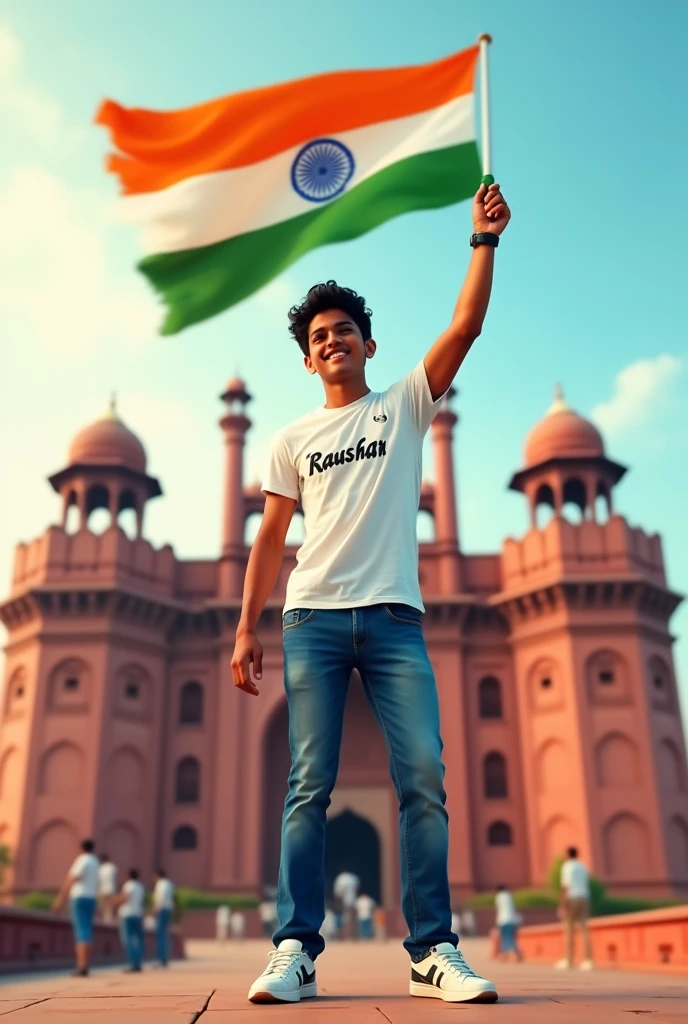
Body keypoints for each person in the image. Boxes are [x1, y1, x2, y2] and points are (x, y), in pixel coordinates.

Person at [232, 180, 510, 1006]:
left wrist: (483, 241)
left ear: (368, 344)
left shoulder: (403, 407)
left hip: (394, 619)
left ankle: (432, 951)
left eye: (344, 330)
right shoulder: (290, 439)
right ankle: (295, 949)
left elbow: (465, 327)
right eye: (319, 336)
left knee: (422, 773)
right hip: (312, 618)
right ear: (308, 357)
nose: (333, 342)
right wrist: (246, 628)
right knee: (308, 785)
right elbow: (272, 537)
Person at [52, 837, 100, 977]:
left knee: (82, 932)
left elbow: (72, 878)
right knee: (87, 930)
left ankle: (82, 966)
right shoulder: (95, 862)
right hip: (91, 897)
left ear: (81, 848)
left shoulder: (82, 860)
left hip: (79, 897)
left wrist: (60, 899)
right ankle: (85, 964)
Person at [556, 846, 593, 970]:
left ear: (567, 854)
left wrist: (562, 904)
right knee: (584, 929)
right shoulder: (582, 866)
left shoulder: (567, 866)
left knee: (569, 929)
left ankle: (569, 960)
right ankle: (588, 961)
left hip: (572, 898)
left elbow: (565, 886)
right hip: (584, 897)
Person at [113, 869, 146, 972]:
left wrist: (115, 902)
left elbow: (125, 897)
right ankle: (138, 962)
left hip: (127, 914)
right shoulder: (140, 886)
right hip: (137, 914)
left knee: (128, 940)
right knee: (138, 940)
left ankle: (132, 963)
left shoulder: (129, 885)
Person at [152, 869, 175, 967]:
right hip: (168, 909)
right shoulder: (169, 883)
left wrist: (155, 909)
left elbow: (160, 898)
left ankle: (162, 959)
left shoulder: (161, 884)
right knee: (164, 935)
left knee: (161, 935)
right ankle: (164, 958)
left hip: (162, 910)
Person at [494, 885, 522, 962]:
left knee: (506, 938)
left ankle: (511, 954)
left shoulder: (499, 896)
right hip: (512, 920)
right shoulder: (509, 896)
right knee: (510, 938)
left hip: (503, 920)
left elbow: (499, 909)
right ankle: (506, 955)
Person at [333, 869, 360, 939]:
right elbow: (357, 888)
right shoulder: (353, 878)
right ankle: (353, 935)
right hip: (353, 900)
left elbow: (338, 892)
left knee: (345, 919)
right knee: (353, 919)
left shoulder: (340, 878)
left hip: (344, 901)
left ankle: (346, 935)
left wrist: (338, 900)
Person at [97, 853, 117, 923]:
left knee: (103, 907)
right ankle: (109, 920)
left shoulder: (101, 868)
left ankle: (104, 920)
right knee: (109, 907)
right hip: (111, 889)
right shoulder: (112, 867)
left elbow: (99, 880)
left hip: (102, 889)